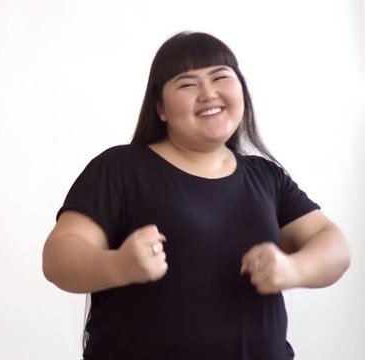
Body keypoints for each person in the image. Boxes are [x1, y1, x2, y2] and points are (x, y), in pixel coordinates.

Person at [42, 31, 350, 360]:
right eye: (187, 84)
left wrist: (293, 269)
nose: (208, 93)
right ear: (160, 107)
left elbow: (333, 246)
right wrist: (119, 265)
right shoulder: (120, 169)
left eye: (220, 77)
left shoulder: (266, 176)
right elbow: (58, 257)